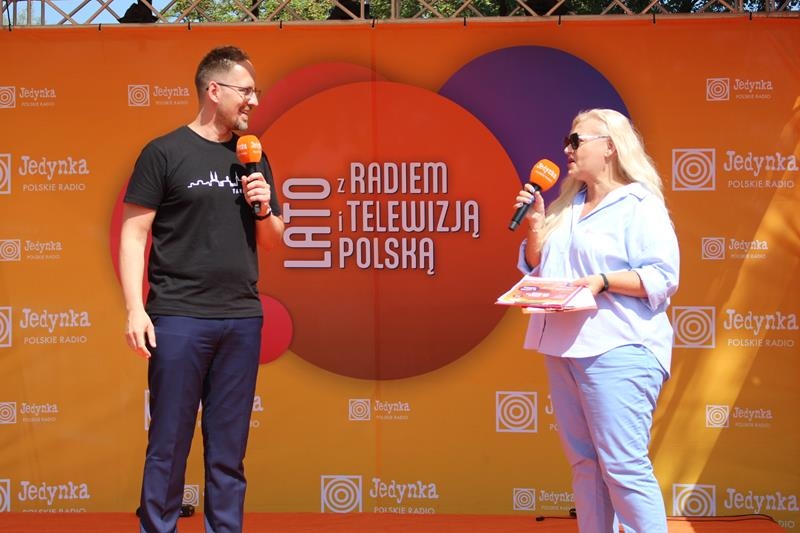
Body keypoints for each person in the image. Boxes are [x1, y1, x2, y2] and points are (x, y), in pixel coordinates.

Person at [119, 45, 285, 533]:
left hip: (241, 318)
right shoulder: (164, 153)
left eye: (256, 91)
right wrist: (134, 309)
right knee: (168, 444)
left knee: (229, 451)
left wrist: (262, 206)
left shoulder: (253, 156)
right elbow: (133, 235)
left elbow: (272, 238)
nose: (254, 101)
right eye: (246, 91)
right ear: (215, 90)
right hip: (178, 317)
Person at [514, 108, 679, 533]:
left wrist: (604, 281)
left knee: (623, 466)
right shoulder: (567, 206)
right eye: (566, 142)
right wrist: (536, 225)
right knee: (585, 465)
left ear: (610, 147)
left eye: (576, 141)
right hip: (563, 349)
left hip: (618, 348)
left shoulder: (639, 204)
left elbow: (662, 275)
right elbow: (540, 268)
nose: (566, 150)